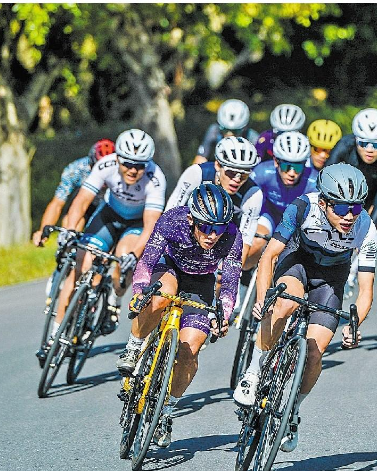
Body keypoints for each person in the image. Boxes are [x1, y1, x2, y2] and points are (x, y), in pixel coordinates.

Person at [233, 163, 377, 453]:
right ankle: (253, 371)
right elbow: (269, 256)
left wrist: (354, 324)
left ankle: (292, 412)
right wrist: (262, 298)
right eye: (340, 208)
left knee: (314, 352)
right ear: (323, 202)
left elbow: (366, 290)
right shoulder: (302, 207)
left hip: (331, 279)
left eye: (356, 208)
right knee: (285, 304)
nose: (349, 215)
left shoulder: (366, 228)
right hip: (296, 263)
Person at [117, 184, 241, 448]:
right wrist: (139, 290)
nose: (212, 235)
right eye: (206, 226)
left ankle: (167, 410)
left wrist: (224, 313)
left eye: (218, 228)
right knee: (161, 297)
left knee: (190, 350)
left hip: (201, 283)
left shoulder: (232, 236)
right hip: (169, 268)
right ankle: (134, 347)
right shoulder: (174, 220)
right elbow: (147, 259)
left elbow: (230, 281)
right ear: (191, 219)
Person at [37, 129, 166, 364]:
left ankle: (113, 302)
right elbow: (81, 201)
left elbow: (151, 226)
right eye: (128, 164)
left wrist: (135, 254)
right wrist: (69, 230)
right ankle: (54, 335)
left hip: (136, 225)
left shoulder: (155, 178)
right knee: (81, 264)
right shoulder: (105, 165)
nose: (133, 170)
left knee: (122, 265)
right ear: (117, 159)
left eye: (139, 165)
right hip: (108, 216)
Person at [324, 108, 377, 292]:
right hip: (347, 193)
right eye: (364, 143)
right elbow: (325, 179)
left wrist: (366, 235)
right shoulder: (345, 144)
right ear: (355, 139)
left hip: (376, 197)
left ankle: (358, 265)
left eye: (376, 145)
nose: (369, 150)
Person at [166, 136, 264, 267]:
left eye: (244, 174)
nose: (236, 179)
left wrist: (230, 270)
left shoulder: (253, 193)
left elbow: (245, 240)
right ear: (218, 165)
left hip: (224, 237)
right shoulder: (196, 173)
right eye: (231, 172)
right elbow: (169, 216)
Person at [247, 131, 318, 269]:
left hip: (296, 223)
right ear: (276, 162)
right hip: (269, 215)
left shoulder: (314, 182)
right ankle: (245, 274)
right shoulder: (262, 172)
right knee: (257, 241)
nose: (292, 173)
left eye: (298, 167)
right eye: (286, 166)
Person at [31, 138, 115, 247]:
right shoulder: (77, 169)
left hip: (108, 206)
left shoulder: (123, 171)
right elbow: (57, 203)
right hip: (84, 204)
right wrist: (43, 230)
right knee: (69, 226)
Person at [193, 99, 260, 164]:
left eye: (235, 131)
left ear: (244, 128)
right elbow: (200, 160)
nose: (229, 135)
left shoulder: (253, 138)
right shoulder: (214, 131)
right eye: (225, 129)